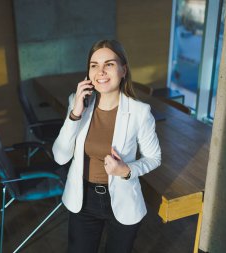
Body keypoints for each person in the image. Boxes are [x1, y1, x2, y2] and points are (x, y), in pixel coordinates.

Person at [52, 39, 161, 253]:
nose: (100, 71)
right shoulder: (77, 102)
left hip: (122, 199)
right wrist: (75, 114)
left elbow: (154, 158)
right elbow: (60, 157)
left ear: (123, 70)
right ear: (88, 73)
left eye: (109, 64)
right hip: (83, 199)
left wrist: (126, 170)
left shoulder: (140, 112)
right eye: (94, 65)